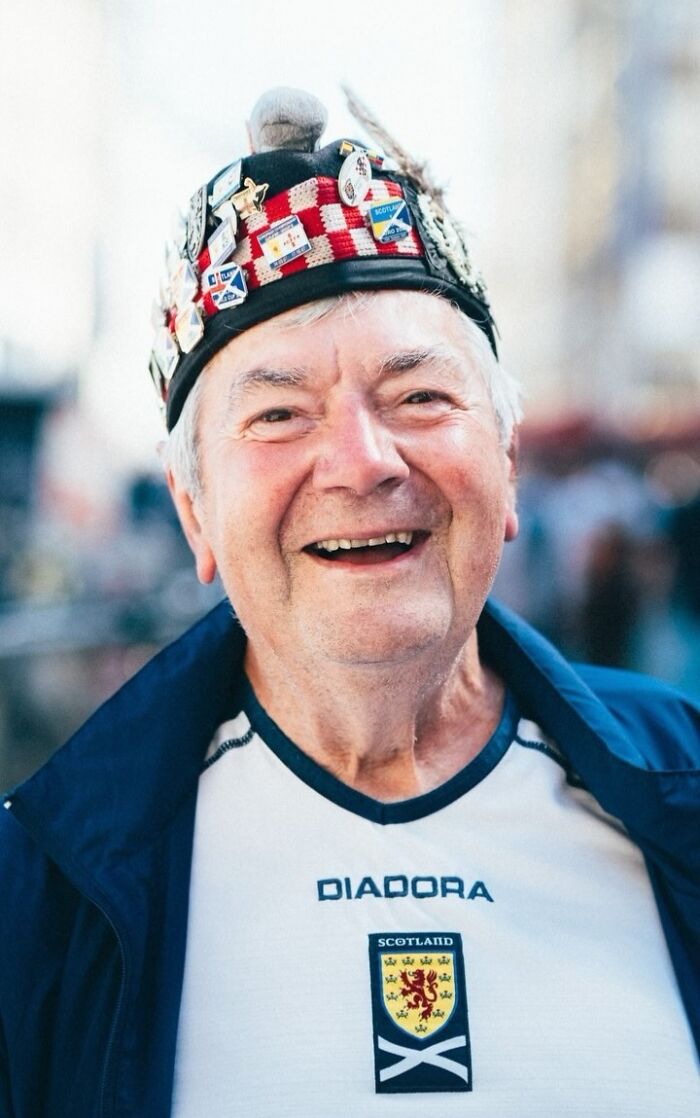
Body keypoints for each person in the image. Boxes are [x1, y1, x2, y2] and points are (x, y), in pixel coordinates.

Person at [1, 87, 698, 1117]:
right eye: (280, 413)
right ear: (195, 513)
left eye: (419, 395)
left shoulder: (681, 791)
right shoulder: (39, 889)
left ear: (504, 468)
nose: (362, 461)